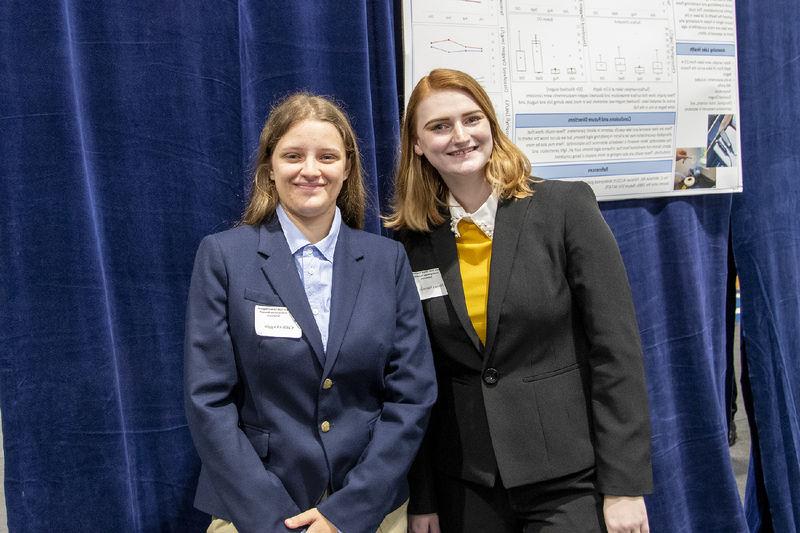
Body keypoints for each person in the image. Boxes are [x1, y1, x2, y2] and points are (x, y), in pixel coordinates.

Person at [386, 69, 652, 533]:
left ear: (492, 124)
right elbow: (416, 378)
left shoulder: (564, 208)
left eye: (472, 119)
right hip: (467, 484)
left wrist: (624, 487)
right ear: (416, 144)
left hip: (567, 480)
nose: (460, 136)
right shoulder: (411, 242)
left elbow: (617, 354)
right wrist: (423, 497)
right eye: (440, 126)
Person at [184, 93, 437, 533]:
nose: (310, 170)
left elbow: (411, 396)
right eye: (293, 156)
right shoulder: (224, 257)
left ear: (347, 168)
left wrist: (348, 512)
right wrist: (274, 520)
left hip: (369, 511)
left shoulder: (386, 261)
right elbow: (207, 401)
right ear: (270, 167)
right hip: (253, 514)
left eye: (327, 156)